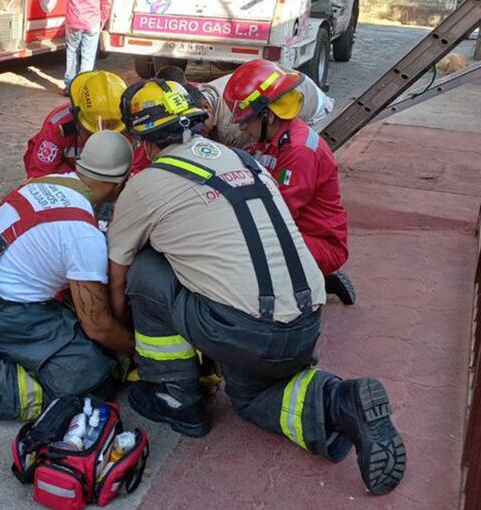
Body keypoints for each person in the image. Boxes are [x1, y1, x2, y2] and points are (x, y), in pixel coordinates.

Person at [106, 78, 406, 495]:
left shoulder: (146, 185)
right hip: (303, 321)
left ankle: (175, 396)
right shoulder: (240, 159)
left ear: (142, 139)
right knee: (250, 398)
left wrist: (119, 330)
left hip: (241, 331)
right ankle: (343, 401)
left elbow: (118, 269)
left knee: (145, 267)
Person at [0, 130, 134, 423]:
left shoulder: (46, 182)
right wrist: (136, 349)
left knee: (67, 319)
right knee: (93, 374)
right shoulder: (82, 234)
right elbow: (98, 327)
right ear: (120, 183)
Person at [222, 59, 354, 303]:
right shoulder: (272, 140)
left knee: (240, 255)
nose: (241, 128)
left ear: (268, 117)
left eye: (244, 121)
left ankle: (310, 279)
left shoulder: (299, 151)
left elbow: (279, 214)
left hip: (319, 243)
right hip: (301, 235)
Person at [154, 64, 335, 149]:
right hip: (292, 82)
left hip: (311, 106)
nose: (195, 130)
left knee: (281, 161)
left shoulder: (232, 126)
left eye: (198, 124)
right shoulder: (198, 92)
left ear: (207, 108)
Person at [24, 70, 150, 179]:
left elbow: (136, 172)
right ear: (77, 121)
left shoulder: (133, 126)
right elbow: (40, 175)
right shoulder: (57, 125)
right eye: (92, 134)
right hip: (69, 177)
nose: (102, 141)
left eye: (111, 133)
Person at [63, 0, 113, 96]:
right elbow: (107, 2)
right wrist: (103, 19)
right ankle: (82, 86)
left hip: (73, 19)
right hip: (92, 21)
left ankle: (69, 86)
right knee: (88, 56)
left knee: (72, 52)